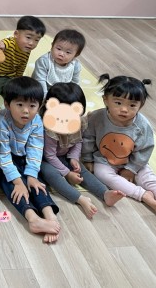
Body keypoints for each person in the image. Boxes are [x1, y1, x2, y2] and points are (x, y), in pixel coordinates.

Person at [0, 76, 61, 243]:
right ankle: (32, 218)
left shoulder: (36, 121)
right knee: (11, 183)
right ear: (7, 104)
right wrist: (18, 182)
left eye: (32, 106)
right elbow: (3, 154)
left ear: (39, 106)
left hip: (22, 156)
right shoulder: (1, 121)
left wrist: (32, 176)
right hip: (1, 159)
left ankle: (49, 214)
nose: (26, 111)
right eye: (20, 105)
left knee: (36, 181)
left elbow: (35, 149)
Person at [40, 83, 125, 219]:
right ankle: (80, 198)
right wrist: (67, 173)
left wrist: (73, 157)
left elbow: (78, 140)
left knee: (82, 170)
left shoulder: (78, 122)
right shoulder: (49, 127)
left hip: (63, 155)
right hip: (44, 159)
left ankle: (105, 194)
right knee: (51, 174)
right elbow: (49, 155)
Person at [82, 74, 156, 212]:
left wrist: (131, 169)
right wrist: (87, 159)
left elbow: (145, 149)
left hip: (134, 161)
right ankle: (144, 195)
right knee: (101, 174)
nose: (124, 109)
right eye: (118, 103)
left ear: (141, 105)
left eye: (132, 105)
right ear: (105, 100)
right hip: (105, 160)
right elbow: (88, 138)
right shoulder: (97, 117)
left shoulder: (142, 125)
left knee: (147, 177)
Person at [0, 16, 46, 114]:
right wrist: (2, 44)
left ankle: (13, 108)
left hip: (7, 77)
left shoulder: (26, 50)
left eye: (36, 40)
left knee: (15, 91)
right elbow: (4, 43)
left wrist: (17, 80)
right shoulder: (10, 43)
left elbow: (21, 66)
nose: (31, 43)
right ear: (16, 34)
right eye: (28, 37)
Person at [32, 29, 86, 97]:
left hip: (60, 92)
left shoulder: (75, 65)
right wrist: (45, 97)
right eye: (59, 49)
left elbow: (75, 83)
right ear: (52, 46)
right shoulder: (44, 61)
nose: (61, 54)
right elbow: (40, 80)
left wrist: (76, 95)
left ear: (76, 55)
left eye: (68, 52)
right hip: (41, 89)